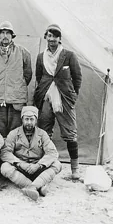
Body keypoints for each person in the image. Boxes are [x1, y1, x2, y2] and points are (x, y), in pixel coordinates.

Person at [33, 24, 82, 180]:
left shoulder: (69, 55)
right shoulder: (41, 57)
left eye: (55, 36)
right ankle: (45, 164)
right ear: (46, 37)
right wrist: (43, 91)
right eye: (49, 36)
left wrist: (72, 95)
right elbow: (39, 77)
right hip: (46, 97)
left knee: (70, 132)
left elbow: (77, 77)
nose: (52, 39)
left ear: (60, 39)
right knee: (44, 130)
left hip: (64, 98)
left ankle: (75, 169)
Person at [0, 106, 62, 201]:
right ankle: (38, 186)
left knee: (57, 164)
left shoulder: (42, 134)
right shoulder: (13, 134)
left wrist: (38, 165)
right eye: (26, 119)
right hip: (21, 168)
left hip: (37, 167)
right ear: (22, 119)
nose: (29, 122)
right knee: (4, 167)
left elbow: (52, 152)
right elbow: (5, 152)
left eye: (31, 119)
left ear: (36, 120)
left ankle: (32, 187)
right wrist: (20, 163)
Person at [0, 21, 32, 137]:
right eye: (2, 33)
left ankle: (12, 153)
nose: (5, 36)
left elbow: (28, 74)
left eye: (8, 33)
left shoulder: (23, 52)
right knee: (0, 128)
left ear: (12, 35)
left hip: (16, 97)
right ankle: (1, 153)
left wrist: (17, 85)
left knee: (15, 128)